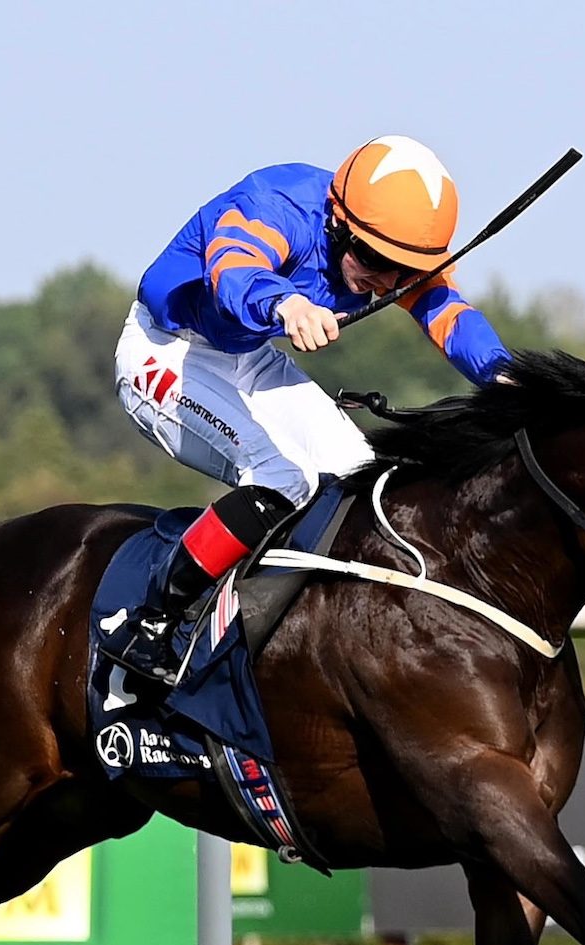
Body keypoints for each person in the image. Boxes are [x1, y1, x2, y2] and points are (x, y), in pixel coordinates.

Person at [113, 135, 512, 682]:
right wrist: (286, 302)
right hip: (164, 352)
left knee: (360, 483)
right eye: (374, 260)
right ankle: (151, 621)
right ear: (337, 219)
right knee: (285, 478)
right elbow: (232, 268)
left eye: (402, 269)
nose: (386, 282)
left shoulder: (386, 242)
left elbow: (445, 309)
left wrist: (503, 373)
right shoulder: (276, 206)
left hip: (245, 356)